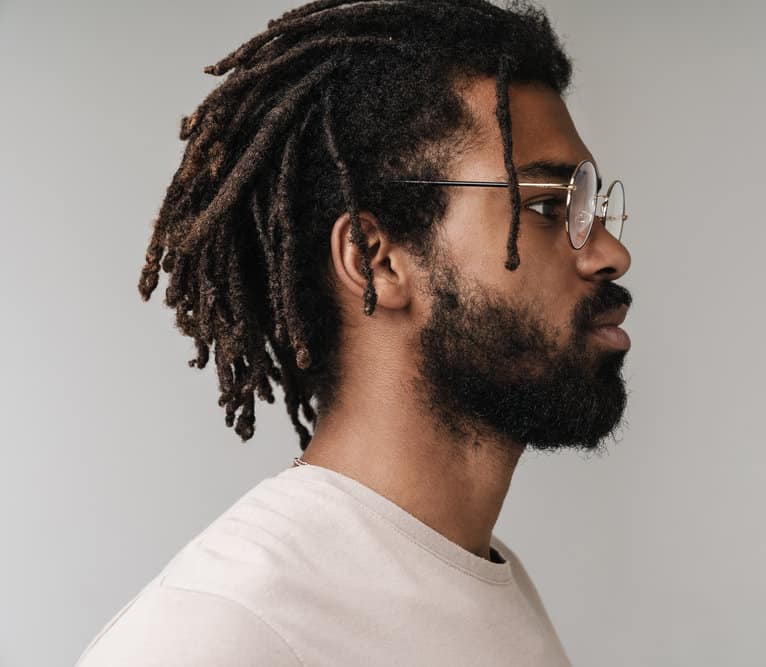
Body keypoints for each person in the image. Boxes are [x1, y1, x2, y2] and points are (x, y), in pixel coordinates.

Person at [77, 0, 632, 664]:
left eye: (590, 208)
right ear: (377, 258)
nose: (609, 253)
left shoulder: (485, 581)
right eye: (547, 206)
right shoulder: (219, 631)